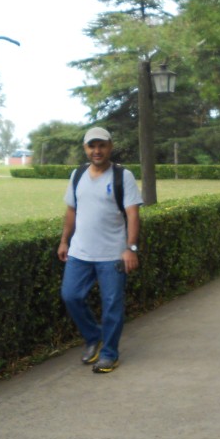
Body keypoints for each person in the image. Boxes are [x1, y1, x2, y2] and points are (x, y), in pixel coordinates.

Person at [57, 127, 141, 374]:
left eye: (102, 145)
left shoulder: (123, 176)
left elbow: (133, 214)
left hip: (112, 255)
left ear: (110, 147)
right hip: (79, 253)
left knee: (112, 306)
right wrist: (64, 241)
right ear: (85, 148)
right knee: (71, 296)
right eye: (92, 146)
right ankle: (94, 337)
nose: (97, 151)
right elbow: (71, 210)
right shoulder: (77, 175)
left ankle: (109, 354)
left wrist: (131, 248)